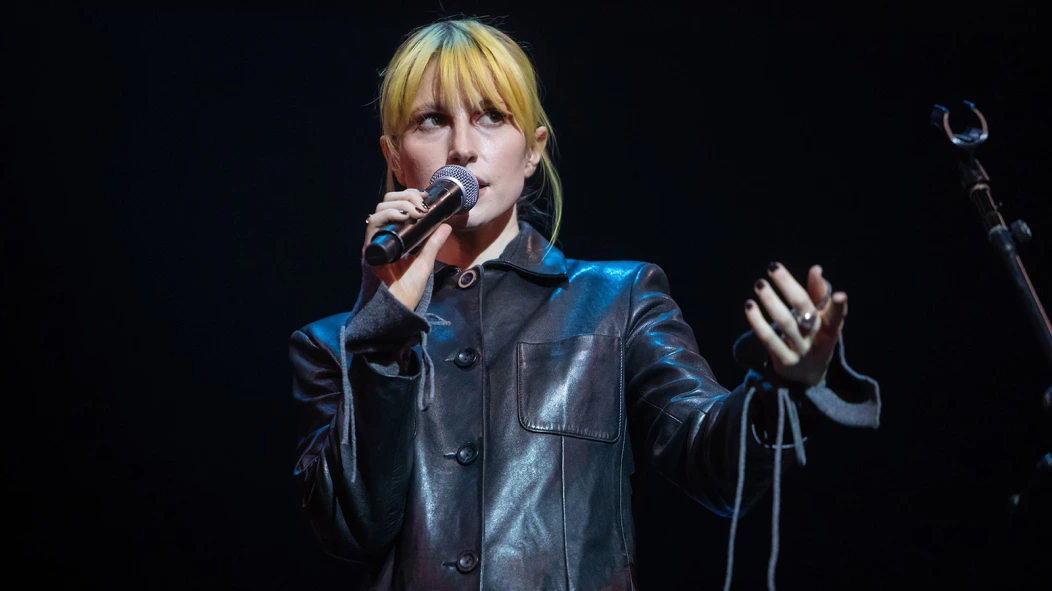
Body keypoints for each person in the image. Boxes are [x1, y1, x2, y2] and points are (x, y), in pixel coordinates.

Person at [289, 18, 880, 591]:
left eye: (491, 116)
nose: (462, 148)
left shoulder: (617, 301)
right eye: (432, 120)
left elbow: (710, 458)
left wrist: (782, 389)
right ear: (394, 157)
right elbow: (351, 527)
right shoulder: (334, 346)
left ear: (532, 151)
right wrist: (384, 325)